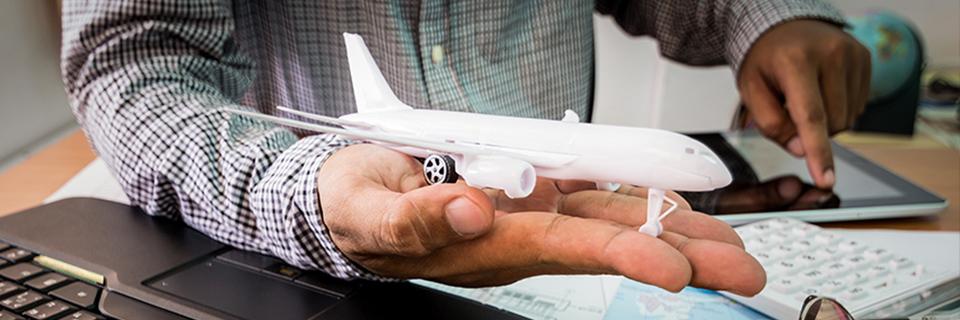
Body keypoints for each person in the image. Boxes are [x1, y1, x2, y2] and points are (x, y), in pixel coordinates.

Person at [60, 0, 869, 296]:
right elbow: (133, 60)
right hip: (289, 265)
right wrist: (306, 192)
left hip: (565, 272)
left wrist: (764, 13)